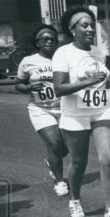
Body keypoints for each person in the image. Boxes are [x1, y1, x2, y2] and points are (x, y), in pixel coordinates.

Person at [52, 7, 110, 217]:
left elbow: (103, 78)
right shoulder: (63, 53)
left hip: (102, 109)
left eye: (91, 25)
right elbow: (58, 88)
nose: (89, 29)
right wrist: (88, 81)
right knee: (79, 161)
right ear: (72, 29)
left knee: (109, 158)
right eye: (83, 25)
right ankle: (74, 199)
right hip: (75, 114)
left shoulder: (98, 52)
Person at [15, 24, 69, 196]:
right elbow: (18, 84)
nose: (50, 41)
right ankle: (59, 181)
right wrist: (30, 86)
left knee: (66, 148)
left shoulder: (65, 58)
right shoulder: (28, 61)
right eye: (45, 38)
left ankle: (51, 161)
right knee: (54, 143)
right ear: (37, 42)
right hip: (40, 108)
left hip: (65, 107)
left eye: (53, 38)